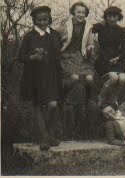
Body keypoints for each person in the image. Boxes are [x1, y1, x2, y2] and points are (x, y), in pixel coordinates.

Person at [18, 6, 63, 150]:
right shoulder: (29, 36)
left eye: (45, 19)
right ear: (34, 20)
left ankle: (48, 135)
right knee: (37, 106)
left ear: (49, 18)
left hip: (52, 75)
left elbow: (59, 54)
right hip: (34, 77)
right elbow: (21, 57)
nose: (43, 22)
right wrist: (33, 56)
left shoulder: (55, 34)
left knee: (53, 105)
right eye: (39, 20)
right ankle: (44, 138)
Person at [57, 2, 96, 105]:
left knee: (89, 78)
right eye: (78, 12)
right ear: (73, 12)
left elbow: (90, 43)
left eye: (83, 12)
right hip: (67, 56)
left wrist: (89, 49)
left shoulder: (88, 26)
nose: (81, 15)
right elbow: (55, 37)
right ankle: (63, 95)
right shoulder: (65, 24)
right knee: (74, 78)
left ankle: (89, 99)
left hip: (81, 56)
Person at [92, 6, 125, 105]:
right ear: (106, 17)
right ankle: (101, 97)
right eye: (109, 16)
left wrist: (118, 58)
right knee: (114, 78)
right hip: (103, 59)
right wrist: (100, 23)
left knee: (122, 78)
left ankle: (114, 98)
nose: (112, 19)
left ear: (118, 17)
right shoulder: (100, 27)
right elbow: (89, 27)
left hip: (116, 59)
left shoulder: (121, 30)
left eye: (115, 16)